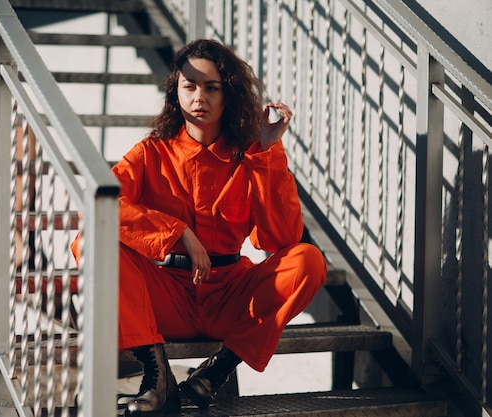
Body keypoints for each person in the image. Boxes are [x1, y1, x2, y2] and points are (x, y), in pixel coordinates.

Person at [75, 39, 327, 416]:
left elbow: (281, 239)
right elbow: (100, 205)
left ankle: (214, 373)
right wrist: (175, 231)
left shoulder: (252, 155)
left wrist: (267, 151)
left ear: (229, 94)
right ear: (175, 93)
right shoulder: (150, 153)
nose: (199, 97)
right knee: (91, 242)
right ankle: (156, 378)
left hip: (230, 296)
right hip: (166, 299)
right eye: (189, 86)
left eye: (212, 87)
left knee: (308, 259)